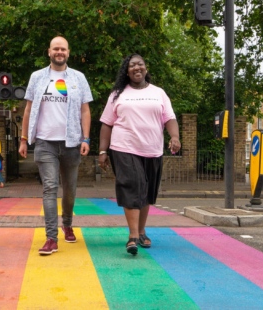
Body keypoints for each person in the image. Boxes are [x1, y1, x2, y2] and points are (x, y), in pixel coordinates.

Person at [98, 54, 181, 256]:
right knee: (132, 186)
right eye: (132, 65)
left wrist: (175, 137)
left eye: (140, 64)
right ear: (126, 71)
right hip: (123, 147)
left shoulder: (159, 93)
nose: (136, 67)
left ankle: (142, 231)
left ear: (146, 68)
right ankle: (133, 236)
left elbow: (169, 118)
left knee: (146, 192)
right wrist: (102, 150)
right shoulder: (117, 94)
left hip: (152, 149)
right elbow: (107, 124)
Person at [19, 36, 93, 256]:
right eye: (55, 49)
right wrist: (24, 139)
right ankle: (51, 238)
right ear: (49, 52)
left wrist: (86, 138)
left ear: (68, 52)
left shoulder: (78, 78)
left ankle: (67, 223)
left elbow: (85, 111)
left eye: (63, 49)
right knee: (49, 187)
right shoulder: (37, 77)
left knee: (69, 189)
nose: (59, 52)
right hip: (44, 142)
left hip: (71, 142)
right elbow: (28, 109)